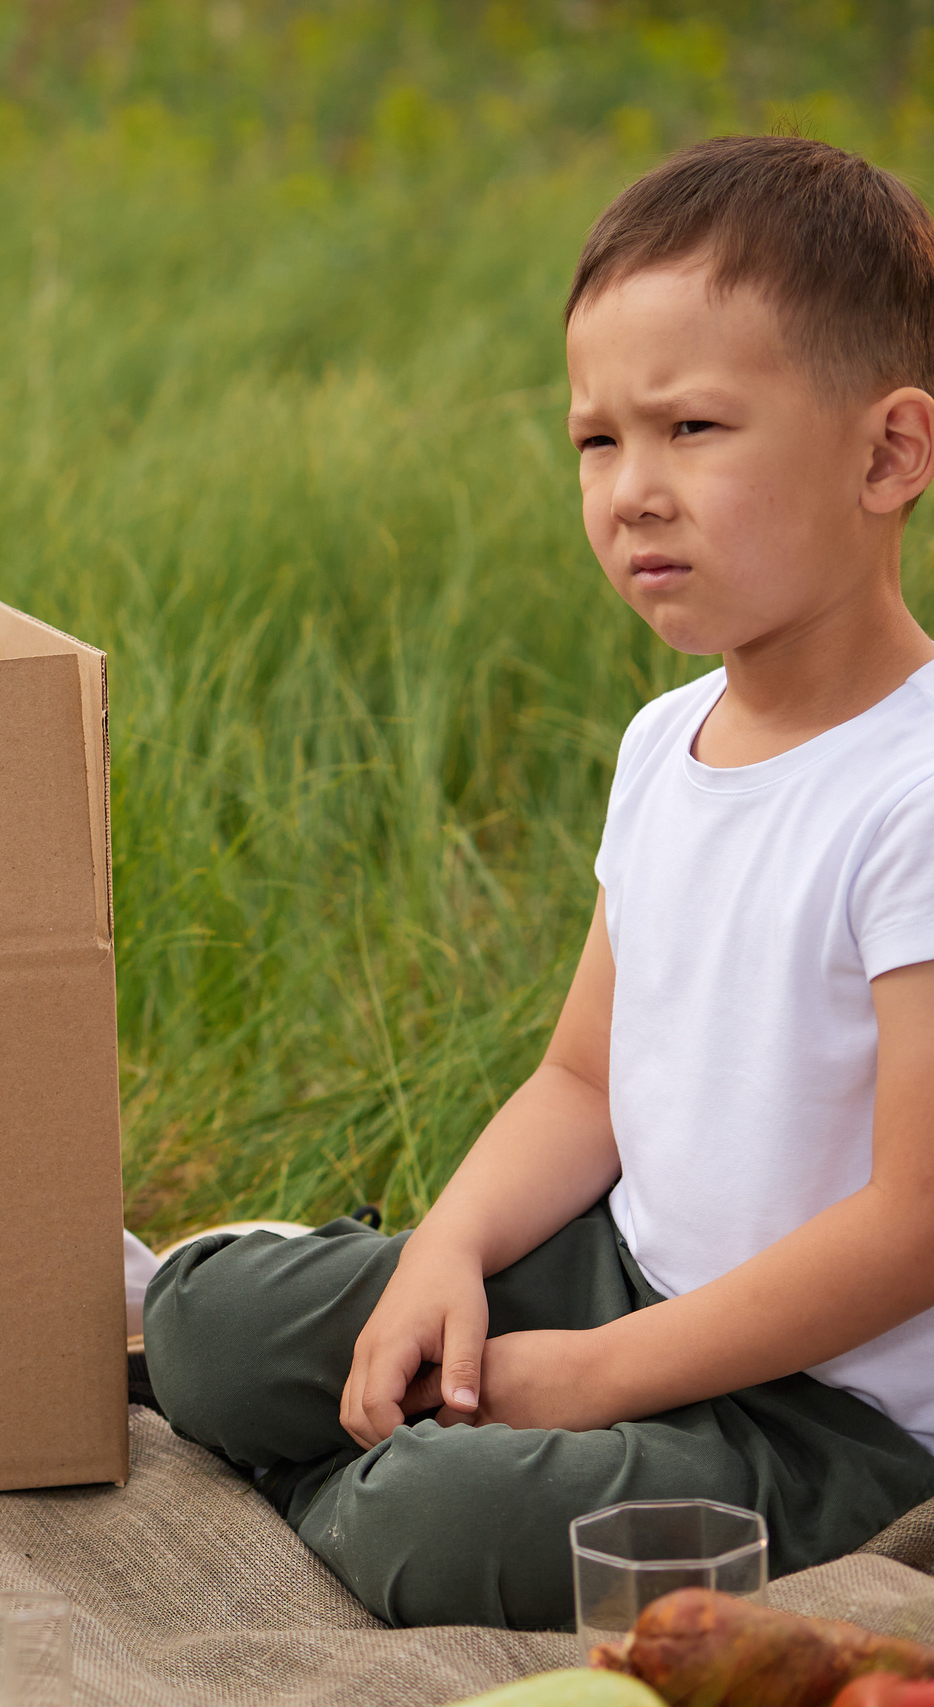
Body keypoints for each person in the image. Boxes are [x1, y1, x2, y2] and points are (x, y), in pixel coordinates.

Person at [146, 133, 934, 1631]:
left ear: (888, 454)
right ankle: (381, 1440)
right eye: (597, 442)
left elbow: (916, 1221)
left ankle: (377, 1490)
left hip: (827, 1419)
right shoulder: (662, 743)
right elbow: (583, 1083)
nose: (633, 493)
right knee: (205, 1325)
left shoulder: (916, 793)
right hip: (625, 1275)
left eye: (693, 428)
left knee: (432, 1522)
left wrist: (595, 1381)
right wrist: (447, 1252)